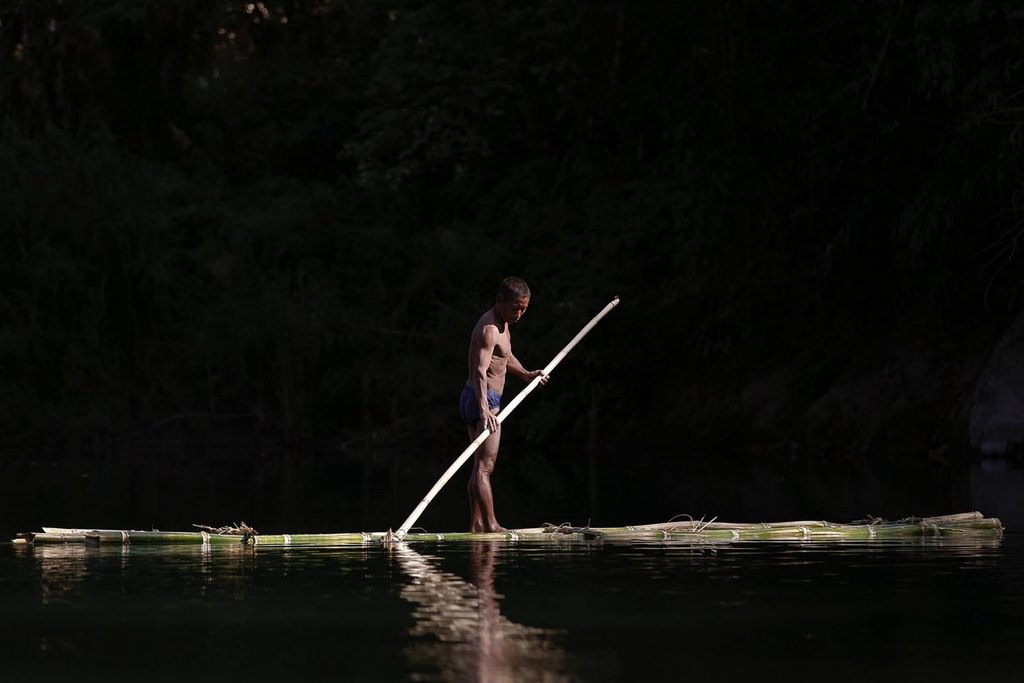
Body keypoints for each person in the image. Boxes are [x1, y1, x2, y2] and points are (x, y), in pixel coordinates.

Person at [459, 276, 548, 532]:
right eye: (515, 308)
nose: (519, 314)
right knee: (485, 468)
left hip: (474, 397)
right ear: (499, 301)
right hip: (483, 398)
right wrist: (485, 408)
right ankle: (492, 525)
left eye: (523, 309)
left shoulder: (503, 323)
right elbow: (479, 370)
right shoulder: (489, 329)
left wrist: (527, 374)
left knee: (478, 466)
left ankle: (476, 524)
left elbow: (504, 357)